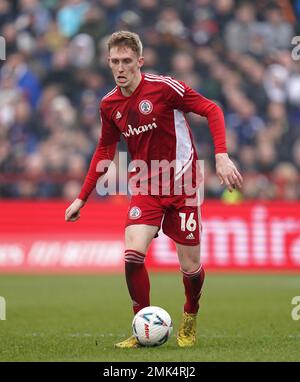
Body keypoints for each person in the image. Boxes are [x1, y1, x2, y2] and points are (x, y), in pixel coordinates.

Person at [65, 31, 243, 348]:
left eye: (127, 61)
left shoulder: (164, 88)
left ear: (140, 62)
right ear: (108, 63)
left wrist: (222, 156)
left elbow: (212, 109)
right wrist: (82, 197)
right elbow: (105, 150)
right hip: (146, 185)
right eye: (115, 61)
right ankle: (142, 325)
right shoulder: (109, 104)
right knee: (133, 255)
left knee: (189, 267)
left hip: (184, 184)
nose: (120, 68)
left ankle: (190, 315)